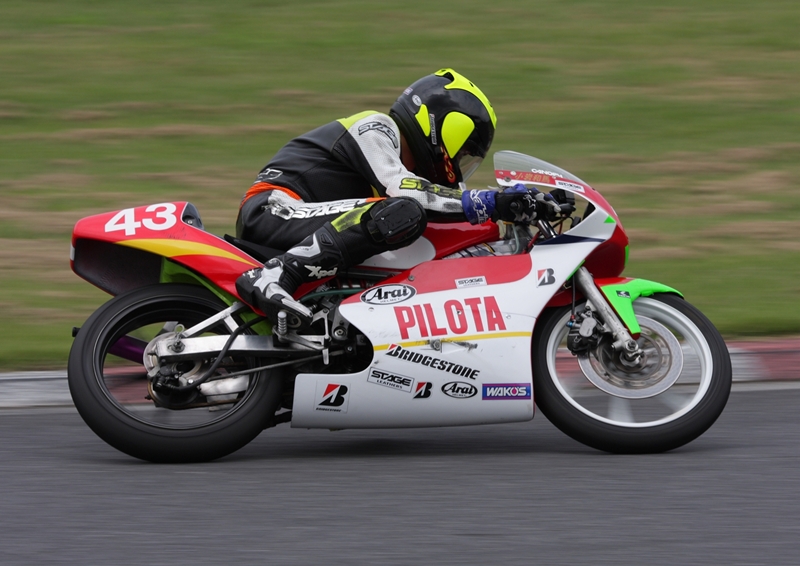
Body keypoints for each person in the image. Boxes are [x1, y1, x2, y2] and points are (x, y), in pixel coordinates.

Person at [235, 68, 545, 326]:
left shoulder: (414, 177)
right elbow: (406, 191)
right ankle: (274, 275)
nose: (459, 164)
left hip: (304, 219)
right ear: (441, 126)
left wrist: (531, 203)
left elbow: (456, 207)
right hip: (275, 210)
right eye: (462, 153)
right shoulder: (375, 127)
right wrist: (490, 203)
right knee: (401, 212)